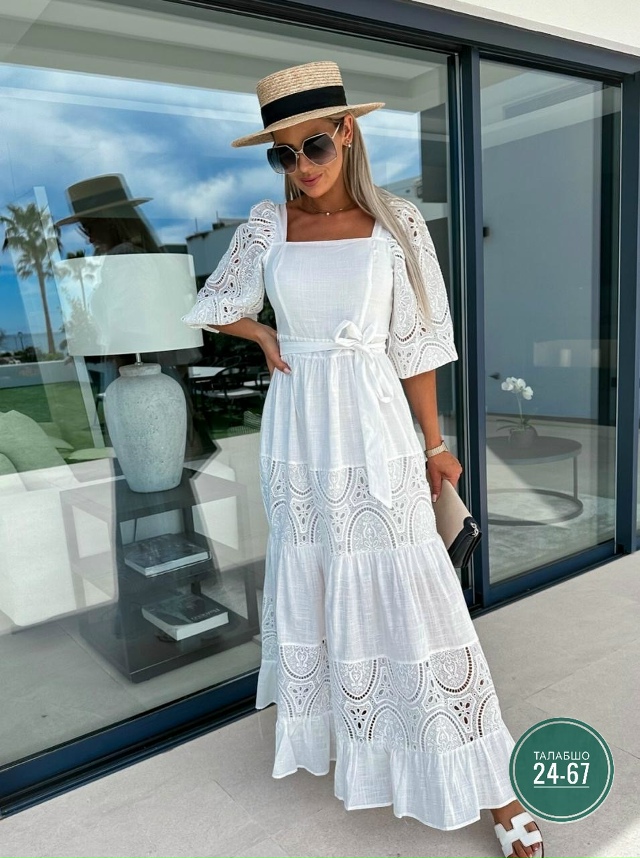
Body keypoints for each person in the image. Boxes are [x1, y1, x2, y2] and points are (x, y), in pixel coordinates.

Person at [182, 61, 544, 858]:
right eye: (282, 153)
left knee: (417, 590)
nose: (300, 166)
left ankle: (495, 785)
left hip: (374, 422)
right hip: (299, 432)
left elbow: (416, 346)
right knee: (322, 573)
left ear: (347, 133)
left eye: (313, 145)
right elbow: (213, 304)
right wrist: (263, 330)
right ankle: (368, 743)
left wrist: (436, 445)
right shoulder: (267, 225)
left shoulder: (397, 222)